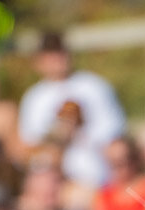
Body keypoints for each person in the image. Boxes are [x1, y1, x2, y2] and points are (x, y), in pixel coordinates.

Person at [16, 31, 125, 190]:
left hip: (95, 170)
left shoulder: (93, 86)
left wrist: (79, 132)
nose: (57, 59)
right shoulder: (34, 97)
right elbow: (28, 145)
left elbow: (114, 131)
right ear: (39, 61)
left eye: (59, 52)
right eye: (50, 54)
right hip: (51, 179)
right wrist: (56, 140)